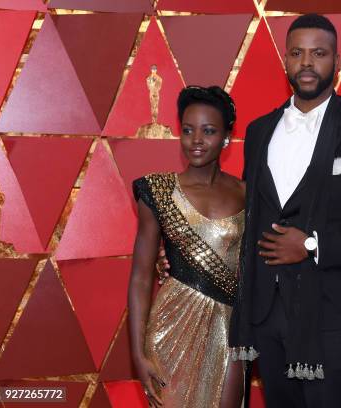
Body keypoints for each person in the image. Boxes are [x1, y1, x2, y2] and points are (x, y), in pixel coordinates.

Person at [227, 13, 341, 408]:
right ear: (286, 61)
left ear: (337, 61)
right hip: (266, 314)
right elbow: (248, 216)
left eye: (319, 53)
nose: (307, 62)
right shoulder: (259, 132)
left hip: (333, 318)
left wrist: (311, 244)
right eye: (297, 53)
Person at [127, 86, 245, 408]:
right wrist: (138, 354)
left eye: (208, 131)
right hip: (168, 329)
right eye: (188, 130)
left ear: (226, 137)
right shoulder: (158, 190)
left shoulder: (248, 193)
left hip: (228, 330)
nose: (196, 140)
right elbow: (140, 278)